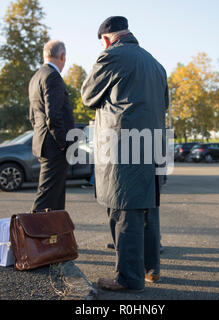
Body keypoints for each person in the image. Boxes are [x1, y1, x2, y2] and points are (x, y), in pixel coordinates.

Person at [81, 16, 169, 293]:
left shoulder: (111, 56)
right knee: (148, 209)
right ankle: (150, 269)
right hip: (153, 145)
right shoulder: (156, 64)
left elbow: (87, 96)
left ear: (107, 39)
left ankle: (128, 278)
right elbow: (163, 105)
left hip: (123, 147)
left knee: (124, 210)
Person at [29, 40, 74, 212]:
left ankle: (53, 237)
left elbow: (32, 117)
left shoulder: (36, 77)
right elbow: (53, 116)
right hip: (55, 147)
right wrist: (63, 143)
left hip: (43, 143)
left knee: (55, 197)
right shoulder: (53, 76)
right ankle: (29, 236)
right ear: (62, 56)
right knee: (47, 197)